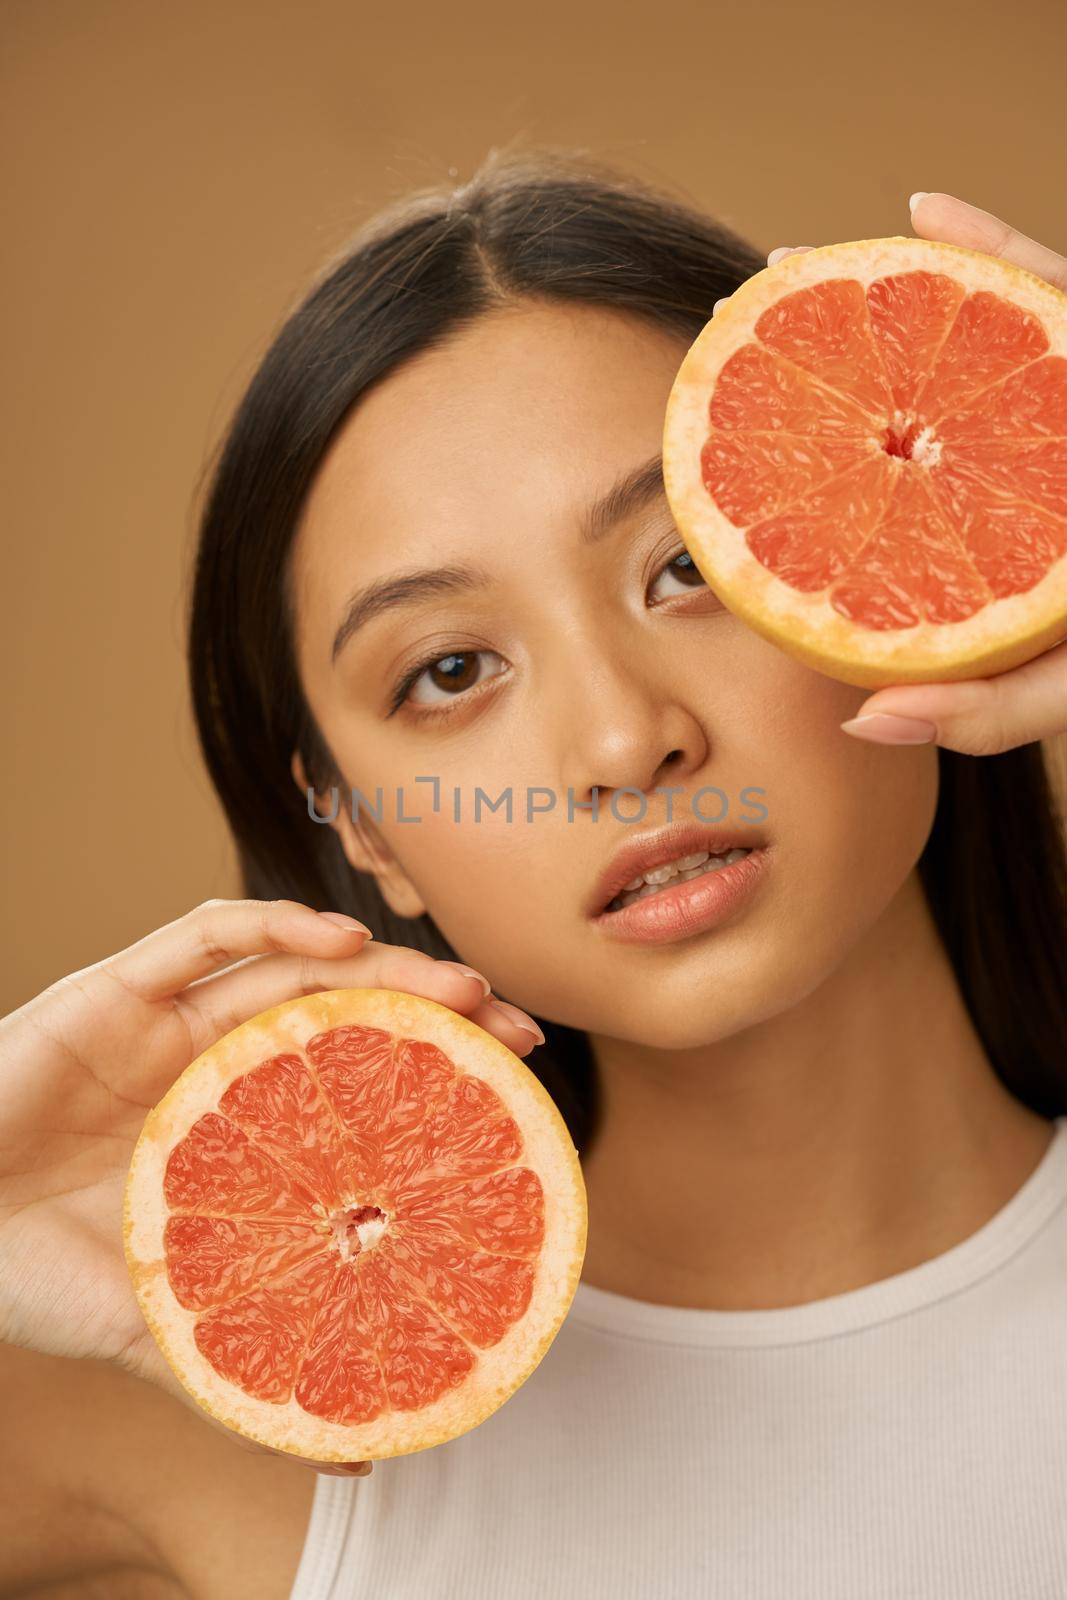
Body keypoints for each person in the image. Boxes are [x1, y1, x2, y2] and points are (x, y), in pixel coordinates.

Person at [3, 146, 1067, 1599]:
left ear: (900, 569)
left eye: (686, 569)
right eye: (451, 669)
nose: (625, 741)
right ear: (362, 829)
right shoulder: (234, 1422)